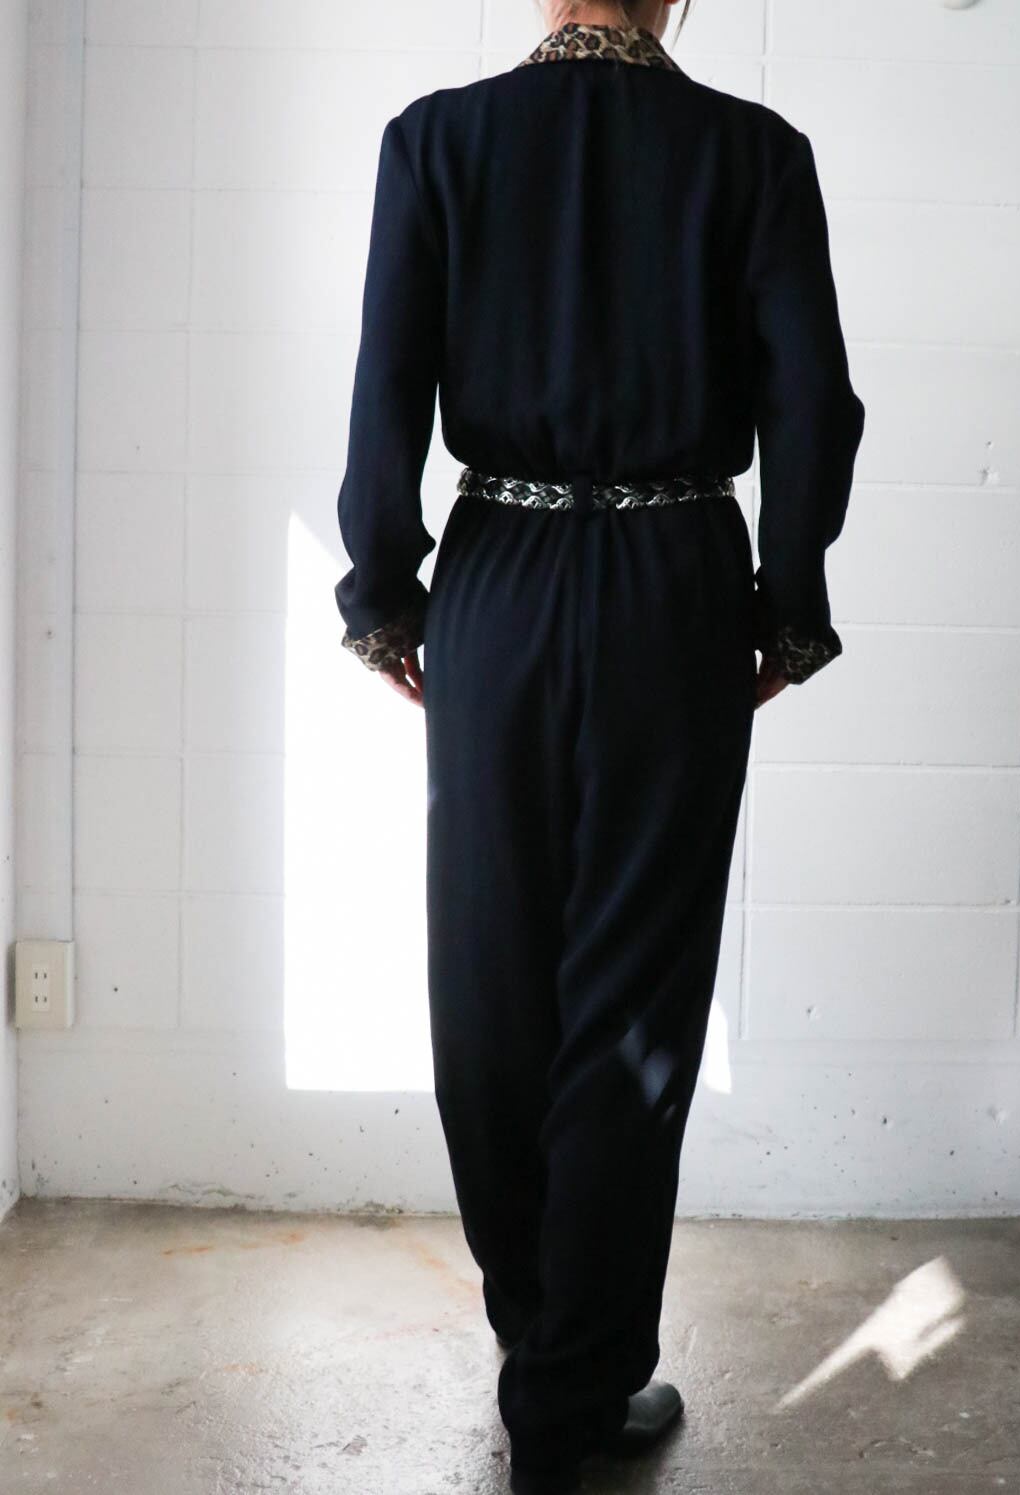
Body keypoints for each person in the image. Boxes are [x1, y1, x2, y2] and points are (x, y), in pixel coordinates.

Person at [332, 1, 865, 1490]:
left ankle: (542, 1351)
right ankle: (577, 1378)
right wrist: (788, 610)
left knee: (491, 973)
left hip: (498, 582)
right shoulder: (754, 155)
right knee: (635, 991)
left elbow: (385, 391)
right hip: (673, 585)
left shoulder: (437, 143)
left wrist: (385, 599)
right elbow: (812, 405)